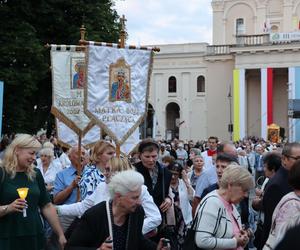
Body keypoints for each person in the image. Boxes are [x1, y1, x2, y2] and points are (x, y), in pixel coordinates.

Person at [56, 156, 161, 235]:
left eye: (108, 170)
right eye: (104, 169)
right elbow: (83, 207)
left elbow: (155, 217)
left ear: (119, 172)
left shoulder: (138, 190)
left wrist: (131, 231)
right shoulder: (102, 186)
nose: (104, 173)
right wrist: (57, 210)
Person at [66, 170, 168, 250]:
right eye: (134, 198)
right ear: (118, 197)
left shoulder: (137, 212)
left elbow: (136, 239)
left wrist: (155, 247)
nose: (139, 202)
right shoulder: (95, 215)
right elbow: (71, 247)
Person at [0, 134, 66, 250]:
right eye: (31, 153)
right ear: (17, 150)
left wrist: (60, 234)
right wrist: (8, 208)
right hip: (6, 236)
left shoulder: (35, 174)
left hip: (34, 235)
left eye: (36, 154)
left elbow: (46, 206)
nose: (34, 158)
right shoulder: (2, 173)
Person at [194, 165, 254, 250]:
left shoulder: (230, 203)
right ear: (230, 185)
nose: (246, 195)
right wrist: (235, 242)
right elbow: (202, 241)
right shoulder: (212, 202)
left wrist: (242, 238)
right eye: (244, 190)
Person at [261, 142, 300, 246]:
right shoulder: (277, 184)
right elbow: (274, 222)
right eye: (297, 158)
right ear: (284, 159)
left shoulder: (291, 178)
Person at [167, 162, 194, 247]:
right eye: (171, 174)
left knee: (182, 243)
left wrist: (186, 181)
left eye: (176, 174)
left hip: (183, 219)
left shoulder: (183, 183)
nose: (173, 176)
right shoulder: (164, 183)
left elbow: (192, 197)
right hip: (170, 220)